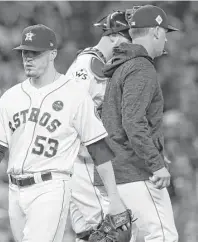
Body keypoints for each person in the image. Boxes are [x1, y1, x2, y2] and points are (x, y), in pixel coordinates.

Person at [0, 24, 129, 242]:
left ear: (52, 55)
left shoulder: (75, 94)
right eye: (25, 53)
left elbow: (99, 148)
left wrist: (114, 198)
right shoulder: (11, 97)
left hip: (51, 187)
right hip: (15, 190)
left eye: (35, 53)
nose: (28, 59)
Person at [101, 5, 179, 242]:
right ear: (156, 32)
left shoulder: (122, 63)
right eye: (165, 32)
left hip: (115, 169)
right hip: (134, 170)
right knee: (162, 236)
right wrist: (155, 164)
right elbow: (133, 122)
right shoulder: (141, 66)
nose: (165, 38)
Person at [65, 10, 132, 241]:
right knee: (111, 228)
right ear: (113, 35)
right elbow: (70, 112)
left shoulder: (100, 63)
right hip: (81, 159)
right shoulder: (87, 63)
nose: (130, 45)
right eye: (127, 38)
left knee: (88, 233)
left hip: (83, 160)